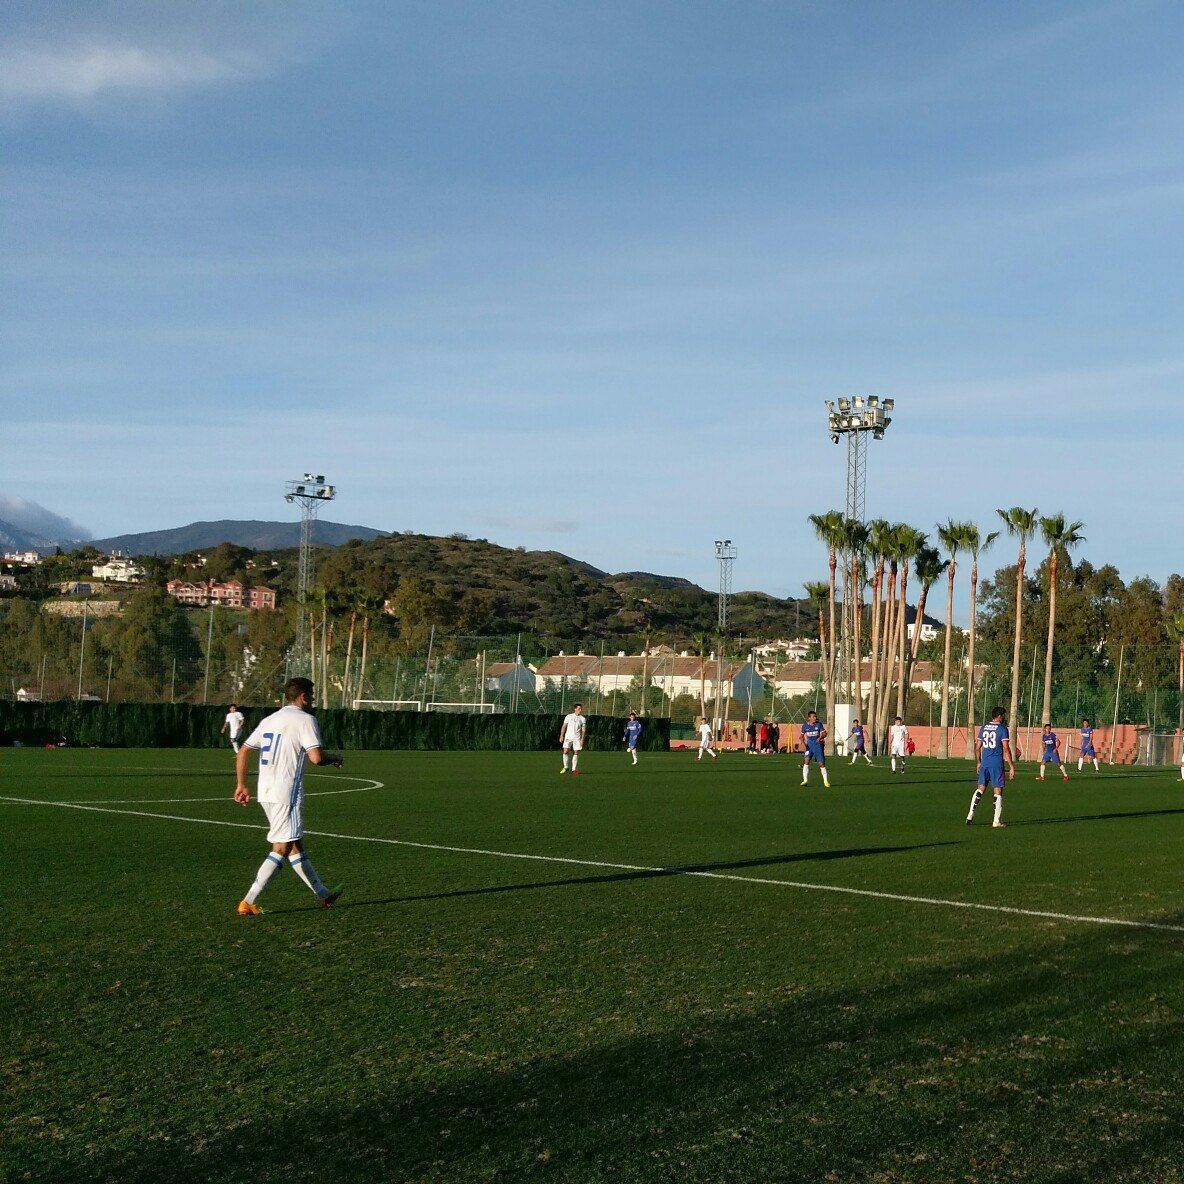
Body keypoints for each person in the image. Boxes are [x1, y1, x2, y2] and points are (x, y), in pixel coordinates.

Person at [232, 677, 344, 916]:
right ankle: (248, 901)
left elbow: (243, 752)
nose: (313, 700)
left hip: (266, 791)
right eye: (312, 696)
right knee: (282, 847)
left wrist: (241, 784)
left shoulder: (270, 720)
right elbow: (316, 757)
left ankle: (324, 895)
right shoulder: (306, 720)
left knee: (295, 844)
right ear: (303, 696)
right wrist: (335, 757)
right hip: (287, 793)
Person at [967, 706, 1015, 828]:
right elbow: (1006, 748)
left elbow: (977, 748)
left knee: (980, 788)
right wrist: (1011, 766)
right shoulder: (1002, 729)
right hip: (996, 764)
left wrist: (978, 762)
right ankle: (996, 821)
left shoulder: (983, 728)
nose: (1004, 717)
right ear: (999, 716)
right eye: (1003, 715)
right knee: (998, 790)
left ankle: (970, 815)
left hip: (985, 763)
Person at [800, 710, 830, 787]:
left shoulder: (819, 724)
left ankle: (826, 781)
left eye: (815, 716)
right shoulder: (804, 726)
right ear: (809, 718)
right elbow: (801, 736)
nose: (815, 718)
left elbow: (824, 733)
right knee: (806, 762)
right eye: (813, 717)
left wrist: (821, 737)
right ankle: (805, 780)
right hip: (809, 747)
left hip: (817, 746)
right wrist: (804, 744)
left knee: (821, 764)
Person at [559, 704, 587, 775]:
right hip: (568, 737)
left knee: (576, 752)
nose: (580, 710)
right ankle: (565, 767)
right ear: (575, 709)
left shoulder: (582, 718)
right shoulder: (569, 716)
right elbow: (564, 726)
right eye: (579, 708)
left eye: (581, 709)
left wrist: (582, 739)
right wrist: (561, 736)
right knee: (565, 751)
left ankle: (574, 770)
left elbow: (583, 730)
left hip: (577, 738)